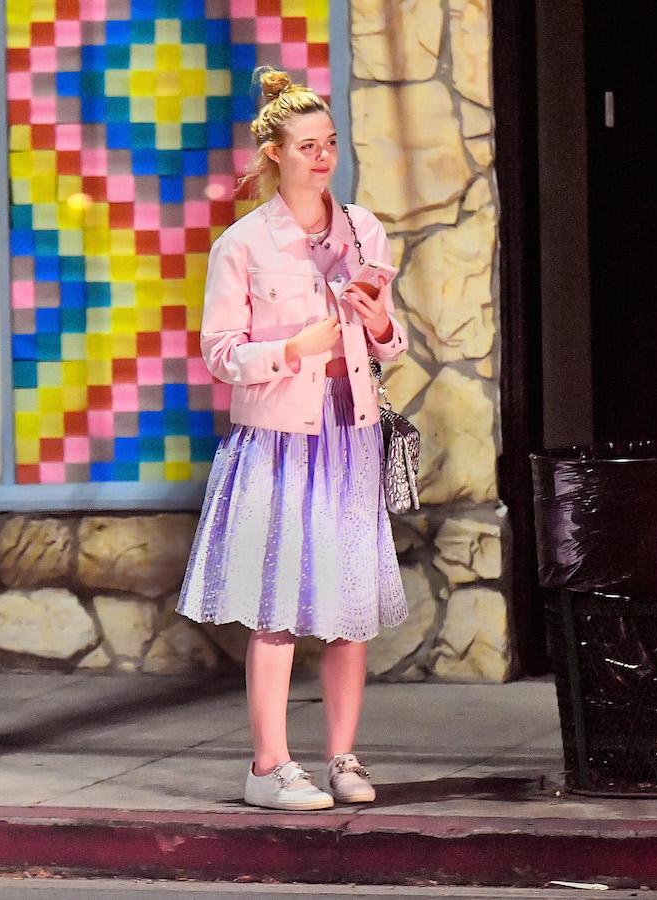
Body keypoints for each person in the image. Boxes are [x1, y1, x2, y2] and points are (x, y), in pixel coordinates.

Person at [177, 68, 409, 811]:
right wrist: (299, 346)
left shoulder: (362, 229)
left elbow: (393, 341)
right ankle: (268, 765)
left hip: (349, 430)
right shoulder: (243, 244)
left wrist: (375, 322)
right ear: (274, 152)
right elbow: (219, 354)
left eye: (331, 143)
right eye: (308, 145)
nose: (323, 158)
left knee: (348, 607)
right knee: (277, 606)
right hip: (278, 438)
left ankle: (342, 756)